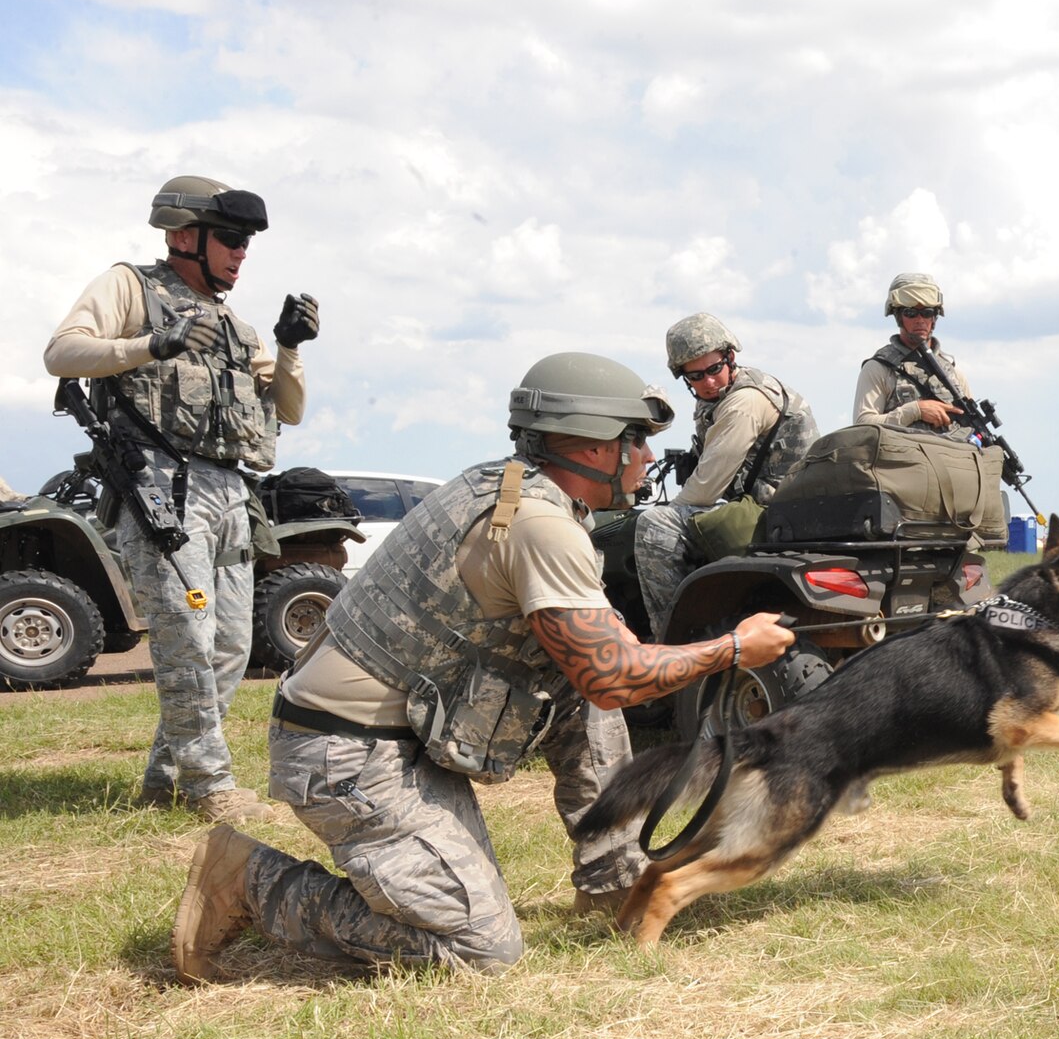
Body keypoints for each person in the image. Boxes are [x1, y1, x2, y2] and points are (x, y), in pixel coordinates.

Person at [171, 352, 796, 981]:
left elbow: (596, 665)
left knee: (578, 691)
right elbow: (616, 673)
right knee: (481, 950)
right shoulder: (540, 525)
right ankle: (251, 880)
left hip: (401, 733)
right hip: (347, 757)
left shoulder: (510, 489)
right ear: (588, 445)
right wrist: (734, 650)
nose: (645, 457)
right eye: (633, 439)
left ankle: (618, 883)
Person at [44, 175, 318, 822]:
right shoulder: (130, 288)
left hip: (229, 491)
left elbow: (290, 409)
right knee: (186, 639)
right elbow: (61, 353)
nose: (240, 254)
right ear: (182, 235)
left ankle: (165, 778)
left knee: (228, 646)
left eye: (246, 244)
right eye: (229, 239)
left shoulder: (233, 325)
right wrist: (149, 343)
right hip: (160, 490)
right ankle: (209, 785)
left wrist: (287, 346)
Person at [633, 313, 818, 639]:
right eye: (695, 376)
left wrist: (672, 508)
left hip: (776, 516)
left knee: (656, 523)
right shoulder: (721, 396)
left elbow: (704, 489)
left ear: (730, 358)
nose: (707, 381)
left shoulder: (743, 402)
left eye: (714, 369)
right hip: (778, 512)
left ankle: (670, 645)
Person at [853, 272, 975, 440]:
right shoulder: (879, 369)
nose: (920, 320)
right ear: (898, 316)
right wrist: (915, 411)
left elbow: (972, 432)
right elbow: (862, 427)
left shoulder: (953, 374)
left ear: (935, 316)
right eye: (911, 313)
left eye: (927, 312)